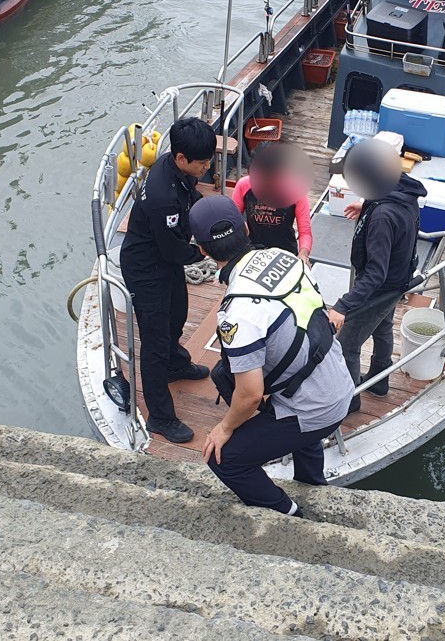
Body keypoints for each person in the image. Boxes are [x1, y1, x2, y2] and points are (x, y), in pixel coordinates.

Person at [191, 196, 354, 515]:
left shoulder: (236, 313)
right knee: (223, 374)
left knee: (223, 459)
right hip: (337, 379)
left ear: (203, 250)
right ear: (247, 227)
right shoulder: (286, 258)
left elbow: (250, 395)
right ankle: (311, 482)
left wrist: (223, 428)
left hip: (313, 407)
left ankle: (288, 513)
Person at [119, 116, 215, 444]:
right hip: (147, 268)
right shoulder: (163, 198)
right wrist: (206, 251)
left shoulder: (172, 168)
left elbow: (191, 201)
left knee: (178, 313)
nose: (207, 167)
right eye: (202, 162)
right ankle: (160, 416)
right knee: (155, 344)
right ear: (181, 159)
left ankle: (176, 364)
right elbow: (175, 251)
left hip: (164, 258)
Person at [326, 140, 425, 412]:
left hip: (380, 288)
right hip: (399, 280)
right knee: (383, 327)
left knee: (347, 344)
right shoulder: (402, 190)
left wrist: (343, 306)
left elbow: (375, 274)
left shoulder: (383, 216)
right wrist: (366, 206)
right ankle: (379, 381)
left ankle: (350, 400)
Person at [230, 143, 313, 264]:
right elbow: (233, 222)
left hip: (285, 254)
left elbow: (305, 232)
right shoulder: (244, 185)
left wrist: (303, 254)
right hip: (253, 253)